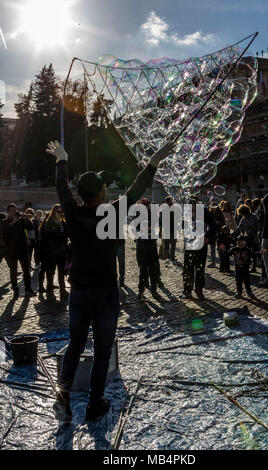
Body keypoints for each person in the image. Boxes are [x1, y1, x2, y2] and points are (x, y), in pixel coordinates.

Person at [46, 138, 175, 421]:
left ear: (82, 193)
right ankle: (95, 403)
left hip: (79, 292)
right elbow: (137, 188)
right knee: (103, 351)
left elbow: (61, 188)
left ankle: (62, 399)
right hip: (105, 293)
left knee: (75, 345)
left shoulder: (72, 211)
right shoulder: (112, 211)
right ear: (102, 192)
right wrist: (154, 160)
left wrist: (62, 159)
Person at [181, 196, 217, 300]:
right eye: (190, 207)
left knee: (200, 268)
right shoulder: (186, 212)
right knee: (187, 268)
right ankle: (187, 290)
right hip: (189, 243)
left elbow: (213, 226)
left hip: (201, 243)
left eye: (193, 207)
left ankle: (199, 290)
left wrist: (206, 237)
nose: (192, 209)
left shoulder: (204, 211)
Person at [0, 204, 36, 297]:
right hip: (10, 251)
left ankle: (28, 289)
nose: (14, 213)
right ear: (7, 212)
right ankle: (15, 289)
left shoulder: (21, 221)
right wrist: (12, 224)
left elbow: (31, 228)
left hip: (23, 250)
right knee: (13, 271)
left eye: (15, 211)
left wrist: (25, 219)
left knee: (26, 270)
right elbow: (5, 235)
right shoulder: (3, 222)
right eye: (11, 211)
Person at [38, 204, 69, 301]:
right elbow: (47, 238)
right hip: (50, 252)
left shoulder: (63, 223)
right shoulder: (48, 223)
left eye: (62, 212)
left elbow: (66, 236)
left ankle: (63, 290)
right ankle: (50, 291)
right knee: (50, 273)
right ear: (54, 212)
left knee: (61, 272)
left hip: (62, 251)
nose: (61, 214)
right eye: (59, 212)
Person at [135, 198, 160, 298]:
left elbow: (158, 225)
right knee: (142, 270)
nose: (145, 205)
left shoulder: (153, 214)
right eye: (144, 204)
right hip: (142, 246)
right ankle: (141, 290)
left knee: (153, 270)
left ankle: (154, 290)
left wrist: (152, 228)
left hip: (152, 245)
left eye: (147, 204)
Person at [234, 204, 259, 273]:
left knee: (254, 252)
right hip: (247, 237)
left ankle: (254, 267)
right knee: (246, 252)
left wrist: (256, 237)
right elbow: (238, 228)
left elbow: (258, 227)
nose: (242, 215)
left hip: (254, 237)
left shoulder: (254, 217)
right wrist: (232, 234)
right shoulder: (243, 219)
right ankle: (247, 266)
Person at [161, 195, 177, 261]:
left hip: (172, 229)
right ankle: (167, 257)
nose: (172, 203)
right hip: (169, 229)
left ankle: (171, 257)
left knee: (171, 245)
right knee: (167, 245)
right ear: (167, 202)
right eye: (171, 201)